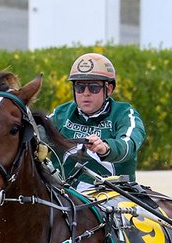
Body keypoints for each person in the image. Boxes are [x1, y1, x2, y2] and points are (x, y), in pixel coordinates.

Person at [49, 52, 146, 190]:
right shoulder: (60, 114)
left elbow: (129, 144)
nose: (86, 93)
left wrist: (106, 148)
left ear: (109, 89)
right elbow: (32, 136)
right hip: (63, 196)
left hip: (113, 194)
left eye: (94, 87)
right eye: (79, 87)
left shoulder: (124, 113)